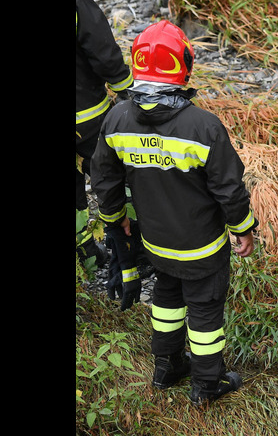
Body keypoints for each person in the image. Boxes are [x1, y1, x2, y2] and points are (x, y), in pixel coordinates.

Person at [90, 20, 257, 405]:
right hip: (202, 247)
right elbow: (229, 188)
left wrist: (117, 220)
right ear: (184, 66)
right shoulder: (203, 126)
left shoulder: (117, 119)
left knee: (166, 296)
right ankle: (207, 385)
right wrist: (243, 228)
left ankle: (166, 368)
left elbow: (104, 177)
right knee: (204, 311)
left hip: (156, 242)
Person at [76, 0, 133, 267]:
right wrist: (126, 88)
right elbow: (102, 48)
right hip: (86, 115)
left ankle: (84, 256)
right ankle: (129, 242)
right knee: (113, 174)